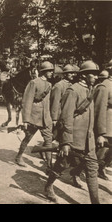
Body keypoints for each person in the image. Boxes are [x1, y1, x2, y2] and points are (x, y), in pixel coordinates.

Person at [44, 60, 100, 204]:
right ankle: (49, 185)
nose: (95, 77)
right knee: (61, 165)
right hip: (73, 139)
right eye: (92, 74)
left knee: (93, 169)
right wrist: (66, 142)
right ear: (83, 76)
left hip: (89, 141)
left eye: (96, 74)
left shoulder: (90, 90)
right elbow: (66, 118)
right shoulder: (73, 90)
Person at [15, 61, 53, 168]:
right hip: (34, 117)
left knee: (48, 140)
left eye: (51, 71)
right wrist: (26, 120)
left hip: (45, 117)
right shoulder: (34, 83)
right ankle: (19, 157)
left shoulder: (49, 84)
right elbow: (27, 101)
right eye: (49, 71)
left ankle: (49, 166)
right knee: (28, 137)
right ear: (44, 72)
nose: (51, 73)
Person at [93, 69, 112, 180]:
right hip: (107, 120)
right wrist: (101, 130)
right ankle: (80, 170)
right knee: (102, 148)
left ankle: (101, 167)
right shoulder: (105, 86)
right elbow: (99, 108)